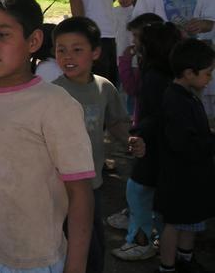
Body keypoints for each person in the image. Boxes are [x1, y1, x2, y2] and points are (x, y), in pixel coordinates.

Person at [0, 0, 96, 273]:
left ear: (34, 41)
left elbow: (80, 194)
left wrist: (76, 267)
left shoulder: (57, 105)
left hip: (33, 259)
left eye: (3, 35)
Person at [52, 16, 145, 273]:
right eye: (61, 50)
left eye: (77, 49)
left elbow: (115, 122)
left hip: (92, 184)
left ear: (95, 52)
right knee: (62, 245)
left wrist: (128, 139)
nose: (68, 56)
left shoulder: (104, 88)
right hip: (58, 187)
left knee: (92, 246)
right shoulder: (51, 93)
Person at [110, 22, 181, 262]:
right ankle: (159, 238)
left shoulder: (154, 78)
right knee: (150, 195)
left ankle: (140, 241)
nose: (134, 43)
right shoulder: (165, 74)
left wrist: (137, 132)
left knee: (138, 192)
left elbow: (156, 115)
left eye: (139, 40)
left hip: (151, 146)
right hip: (159, 145)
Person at [154, 38, 215, 273]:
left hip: (193, 177)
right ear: (190, 73)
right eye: (208, 74)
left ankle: (185, 259)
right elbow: (183, 143)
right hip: (180, 178)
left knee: (191, 220)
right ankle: (167, 266)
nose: (209, 79)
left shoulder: (187, 95)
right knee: (174, 224)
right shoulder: (176, 100)